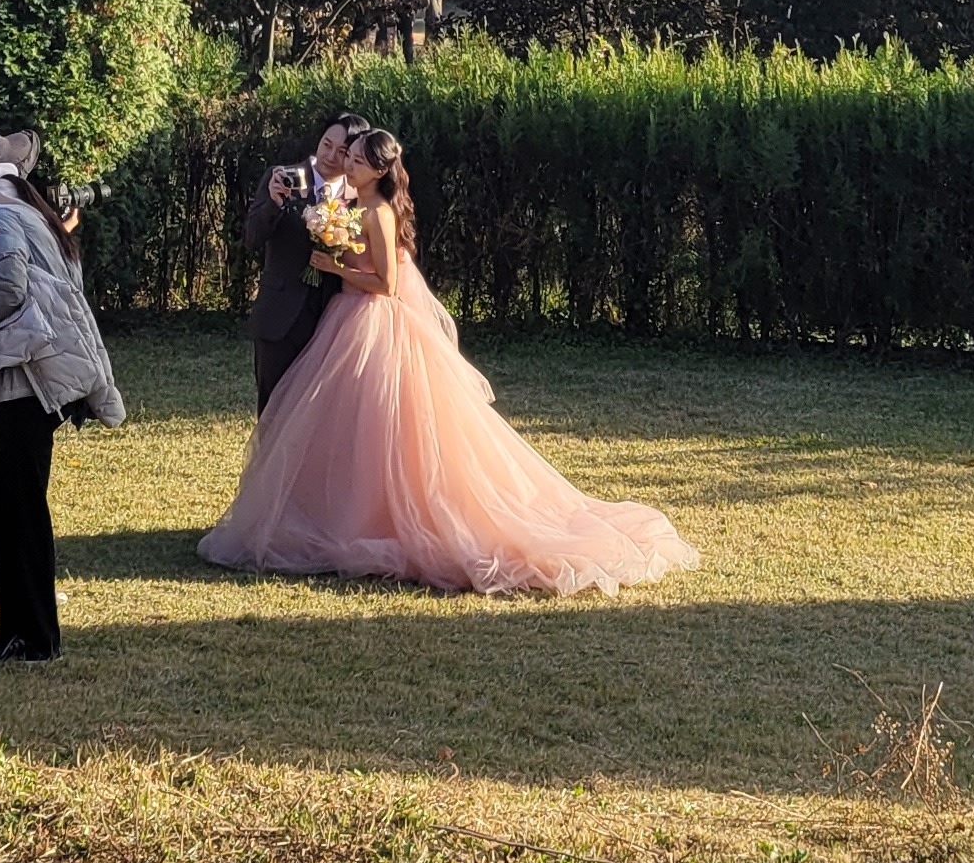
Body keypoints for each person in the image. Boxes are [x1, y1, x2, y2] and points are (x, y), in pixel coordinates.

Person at [200, 128, 696, 596]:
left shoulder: (378, 213)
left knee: (384, 425)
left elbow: (387, 285)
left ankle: (383, 518)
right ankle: (343, 512)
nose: (348, 165)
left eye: (357, 161)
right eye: (348, 157)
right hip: (346, 319)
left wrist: (334, 265)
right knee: (347, 425)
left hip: (371, 321)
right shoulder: (355, 205)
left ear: (378, 171)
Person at [0, 133, 125, 662]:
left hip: (24, 380)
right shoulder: (43, 220)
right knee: (24, 507)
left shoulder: (0, 219)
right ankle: (25, 634)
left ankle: (33, 638)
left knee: (22, 511)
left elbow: (11, 288)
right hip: (54, 377)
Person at [245, 116, 365, 408]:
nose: (330, 156)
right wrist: (274, 203)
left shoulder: (359, 195)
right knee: (273, 409)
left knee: (320, 415)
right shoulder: (283, 177)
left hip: (331, 321)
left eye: (342, 152)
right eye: (327, 144)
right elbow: (251, 239)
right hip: (280, 315)